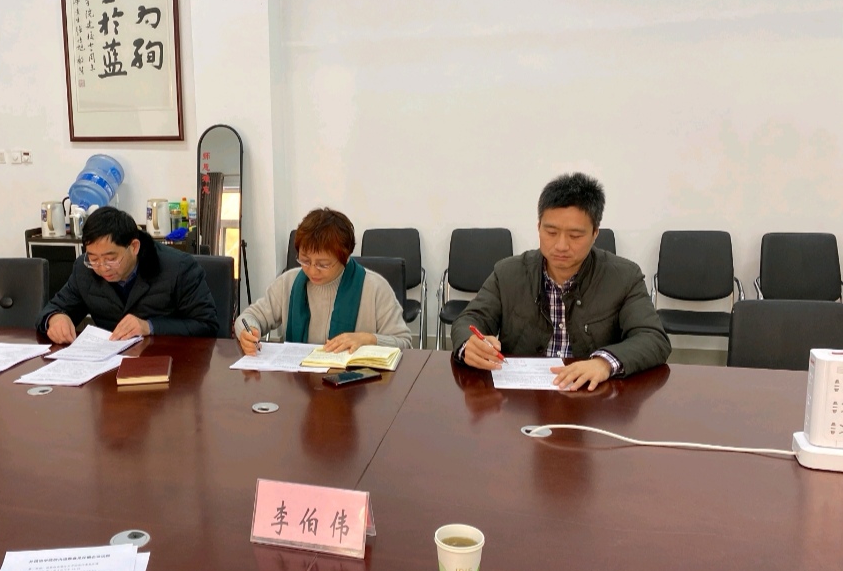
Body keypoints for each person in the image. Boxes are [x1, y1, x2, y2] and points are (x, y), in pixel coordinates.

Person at [451, 173, 670, 390]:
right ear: (539, 227)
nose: (561, 246)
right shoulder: (508, 273)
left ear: (595, 233)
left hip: (591, 395)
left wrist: (604, 363)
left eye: (575, 236)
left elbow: (653, 338)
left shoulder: (624, 277)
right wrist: (469, 344)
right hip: (522, 397)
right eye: (551, 232)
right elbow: (469, 319)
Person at [235, 208, 413, 354]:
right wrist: (248, 332)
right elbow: (248, 317)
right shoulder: (288, 282)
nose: (312, 270)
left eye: (323, 264)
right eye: (305, 260)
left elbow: (404, 343)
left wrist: (368, 339)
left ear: (345, 258)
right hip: (300, 380)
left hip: (357, 382)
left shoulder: (375, 288)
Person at [38, 206, 218, 343]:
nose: (102, 267)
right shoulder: (84, 270)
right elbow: (50, 310)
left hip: (167, 361)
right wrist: (55, 318)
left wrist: (149, 327)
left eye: (111, 259)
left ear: (134, 247)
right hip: (109, 365)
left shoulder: (179, 268)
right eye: (93, 258)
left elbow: (207, 325)